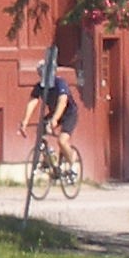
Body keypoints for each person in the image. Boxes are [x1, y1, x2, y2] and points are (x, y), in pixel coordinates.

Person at [26, 45, 84, 186]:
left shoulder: (60, 83)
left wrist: (55, 120)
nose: (42, 76)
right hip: (54, 113)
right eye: (40, 73)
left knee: (62, 141)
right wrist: (24, 121)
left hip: (69, 113)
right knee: (40, 131)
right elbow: (33, 102)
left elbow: (62, 101)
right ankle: (49, 160)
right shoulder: (40, 86)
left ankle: (73, 164)